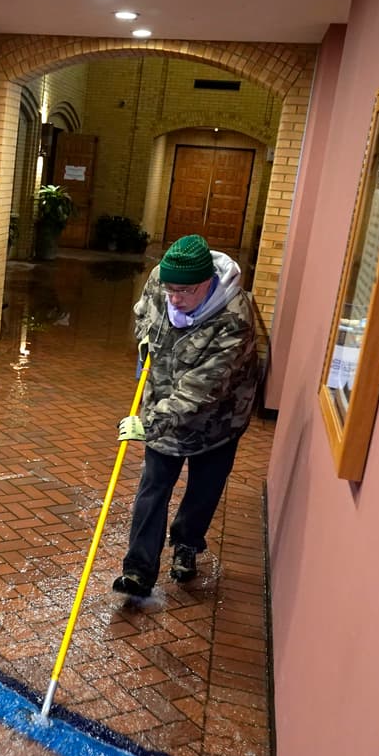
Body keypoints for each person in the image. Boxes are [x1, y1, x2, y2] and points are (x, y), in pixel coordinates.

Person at [112, 233, 259, 598]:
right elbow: (145, 311)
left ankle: (187, 544)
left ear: (207, 283)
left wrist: (149, 424)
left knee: (203, 490)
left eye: (183, 291)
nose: (173, 297)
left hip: (219, 420)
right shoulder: (163, 279)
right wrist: (144, 337)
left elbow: (200, 390)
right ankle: (138, 570)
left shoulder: (234, 320)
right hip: (162, 401)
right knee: (153, 487)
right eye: (169, 289)